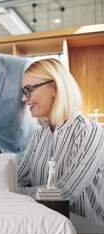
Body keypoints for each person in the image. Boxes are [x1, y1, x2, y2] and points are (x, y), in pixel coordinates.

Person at [18, 58, 104, 225]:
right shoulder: (38, 135)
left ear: (55, 87)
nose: (24, 98)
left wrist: (14, 193)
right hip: (48, 229)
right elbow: (18, 180)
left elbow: (63, 194)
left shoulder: (90, 132)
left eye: (29, 90)